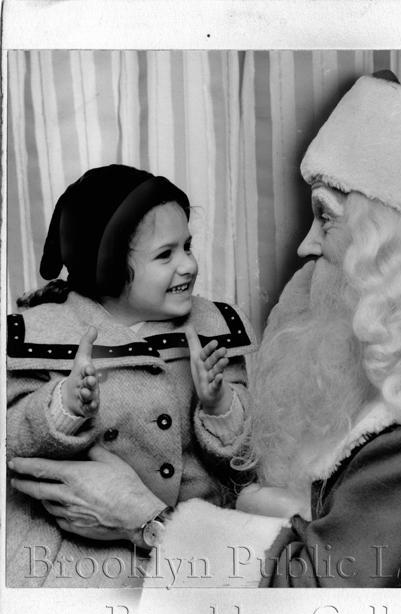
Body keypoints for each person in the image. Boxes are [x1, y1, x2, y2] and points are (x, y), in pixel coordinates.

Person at [10, 75, 401, 588]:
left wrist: (150, 521)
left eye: (325, 216)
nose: (305, 246)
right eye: (164, 254)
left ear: (397, 250)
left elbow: (313, 605)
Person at [6, 164, 256, 587]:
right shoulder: (42, 332)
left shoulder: (210, 328)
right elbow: (11, 442)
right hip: (75, 562)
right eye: (165, 255)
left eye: (188, 247)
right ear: (105, 265)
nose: (189, 265)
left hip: (187, 555)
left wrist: (218, 405)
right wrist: (64, 408)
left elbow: (245, 456)